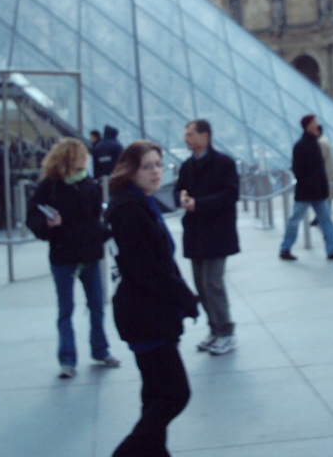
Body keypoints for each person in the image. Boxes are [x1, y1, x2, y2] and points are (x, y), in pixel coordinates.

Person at [105, 140, 198, 457]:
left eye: (159, 164)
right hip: (145, 314)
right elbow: (147, 270)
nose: (156, 171)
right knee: (175, 394)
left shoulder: (139, 203)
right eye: (148, 166)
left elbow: (158, 264)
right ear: (130, 171)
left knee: (155, 393)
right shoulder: (129, 210)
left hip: (150, 311)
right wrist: (184, 296)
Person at [26, 138, 119, 379]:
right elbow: (33, 217)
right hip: (64, 254)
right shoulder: (50, 187)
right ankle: (67, 359)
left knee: (97, 305)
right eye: (82, 155)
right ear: (70, 157)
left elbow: (97, 218)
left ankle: (101, 350)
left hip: (89, 252)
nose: (86, 159)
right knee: (65, 309)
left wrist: (109, 236)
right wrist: (48, 225)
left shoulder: (89, 184)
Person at [174, 119, 240, 355]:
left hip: (217, 233)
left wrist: (198, 204)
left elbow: (231, 194)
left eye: (191, 134)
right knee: (201, 285)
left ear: (206, 136)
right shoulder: (186, 166)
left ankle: (226, 331)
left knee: (213, 283)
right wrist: (181, 197)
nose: (186, 139)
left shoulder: (224, 163)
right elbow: (177, 191)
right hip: (195, 233)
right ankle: (214, 329)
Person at [279, 114, 333, 261]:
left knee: (326, 220)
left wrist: (322, 186)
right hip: (307, 192)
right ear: (308, 125)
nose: (317, 125)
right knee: (295, 219)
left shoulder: (315, 143)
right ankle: (285, 248)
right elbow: (298, 169)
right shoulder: (300, 145)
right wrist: (312, 184)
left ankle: (332, 250)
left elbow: (320, 169)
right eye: (314, 123)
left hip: (318, 191)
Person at [311, 124, 333, 226]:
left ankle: (322, 219)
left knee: (323, 200)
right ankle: (321, 218)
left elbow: (318, 161)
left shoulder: (321, 143)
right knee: (325, 199)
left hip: (324, 176)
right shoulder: (323, 140)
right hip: (327, 175)